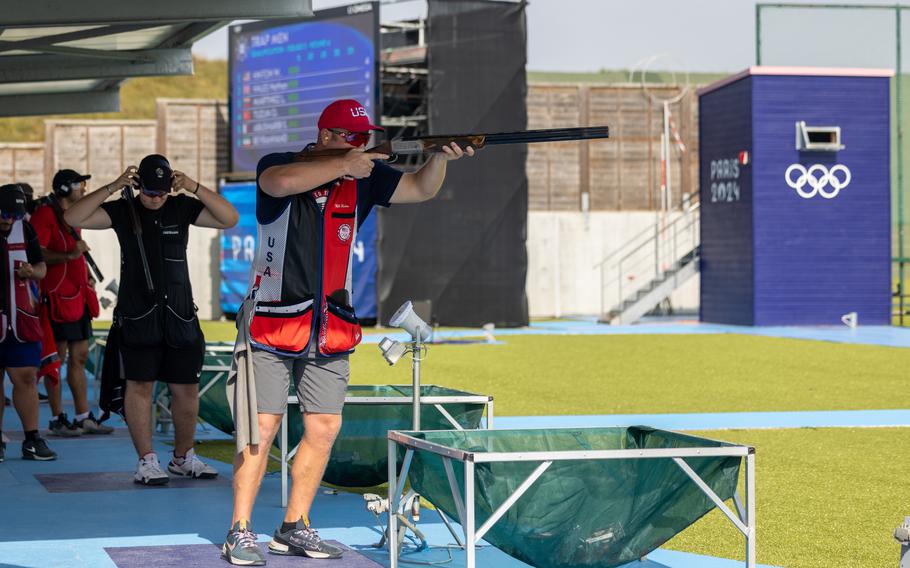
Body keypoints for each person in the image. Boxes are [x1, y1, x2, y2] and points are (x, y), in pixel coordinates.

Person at [223, 99, 474, 566]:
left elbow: (420, 188)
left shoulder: (364, 178)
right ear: (326, 137)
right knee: (261, 428)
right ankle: (239, 529)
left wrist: (439, 155)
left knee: (324, 428)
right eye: (352, 137)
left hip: (329, 326)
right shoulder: (280, 164)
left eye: (365, 138)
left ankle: (293, 526)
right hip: (273, 323)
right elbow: (278, 183)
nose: (361, 144)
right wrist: (347, 164)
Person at [64, 154, 239, 484]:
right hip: (137, 315)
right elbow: (73, 216)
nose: (155, 198)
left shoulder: (183, 206)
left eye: (161, 192)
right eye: (148, 191)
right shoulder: (122, 208)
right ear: (138, 185)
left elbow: (229, 218)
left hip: (180, 315)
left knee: (186, 389)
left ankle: (183, 457)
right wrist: (114, 186)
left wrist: (195, 187)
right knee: (139, 386)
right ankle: (146, 460)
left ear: (170, 187)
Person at [31, 169, 111, 437]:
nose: (84, 189)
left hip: (76, 297)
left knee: (80, 356)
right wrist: (69, 255)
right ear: (65, 189)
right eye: (80, 185)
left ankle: (82, 416)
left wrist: (84, 273)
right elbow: (37, 253)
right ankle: (57, 417)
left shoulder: (73, 216)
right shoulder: (45, 214)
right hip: (56, 298)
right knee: (57, 358)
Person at [0, 184, 56, 462]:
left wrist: (32, 271)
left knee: (25, 378)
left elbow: (42, 267)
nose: (9, 219)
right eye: (4, 213)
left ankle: (32, 439)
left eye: (14, 214)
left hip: (21, 320)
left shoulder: (26, 229)